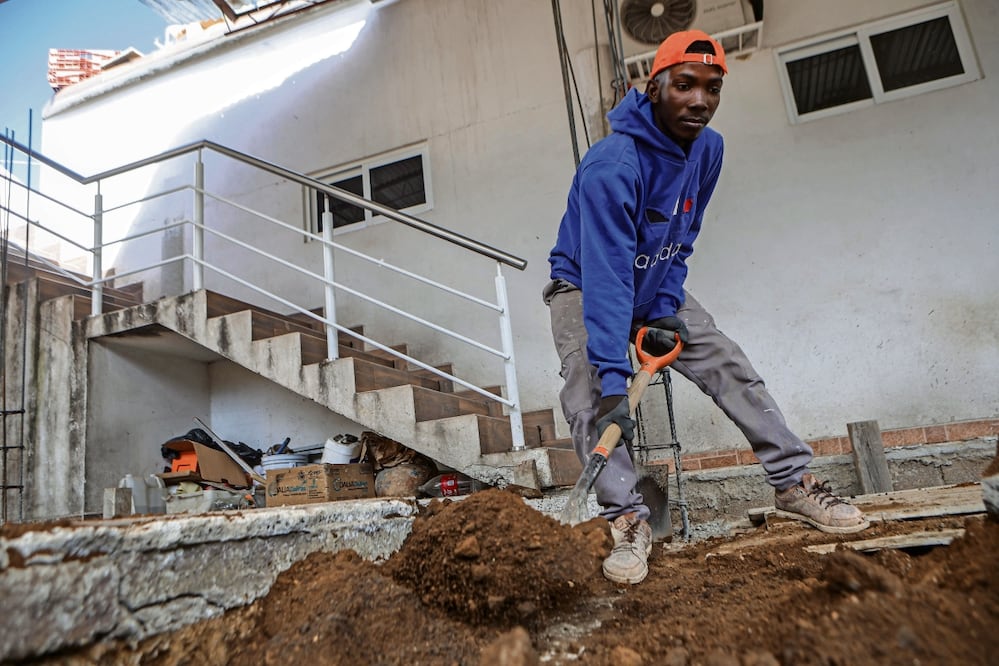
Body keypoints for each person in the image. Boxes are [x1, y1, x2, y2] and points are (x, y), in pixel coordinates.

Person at [543, 30, 868, 585]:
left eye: (712, 89)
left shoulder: (708, 149)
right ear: (655, 86)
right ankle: (626, 519)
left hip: (655, 281)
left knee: (725, 361)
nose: (699, 100)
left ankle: (793, 483)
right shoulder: (612, 167)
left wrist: (666, 308)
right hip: (585, 284)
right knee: (589, 393)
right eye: (685, 85)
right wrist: (618, 385)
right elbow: (606, 277)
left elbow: (681, 237)